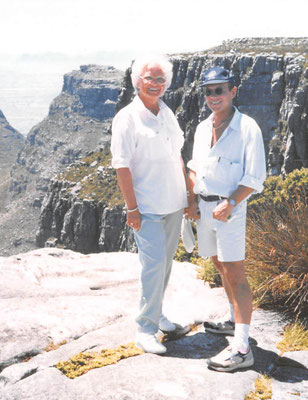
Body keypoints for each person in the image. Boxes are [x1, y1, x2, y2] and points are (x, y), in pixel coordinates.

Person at [186, 66, 266, 372]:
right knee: (219, 264)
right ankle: (233, 320)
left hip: (229, 211)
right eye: (208, 91)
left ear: (233, 91)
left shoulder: (248, 128)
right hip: (205, 209)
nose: (213, 96)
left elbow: (255, 177)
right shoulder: (202, 128)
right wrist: (192, 200)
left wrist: (231, 203)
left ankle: (242, 348)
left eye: (219, 90)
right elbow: (194, 167)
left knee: (236, 273)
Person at [111, 55, 188, 354]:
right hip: (147, 206)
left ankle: (157, 314)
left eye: (160, 79)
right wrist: (132, 208)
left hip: (173, 202)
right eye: (149, 78)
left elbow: (177, 155)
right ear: (137, 81)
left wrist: (188, 197)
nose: (155, 84)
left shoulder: (167, 113)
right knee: (153, 264)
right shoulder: (127, 118)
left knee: (165, 264)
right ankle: (145, 328)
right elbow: (122, 166)